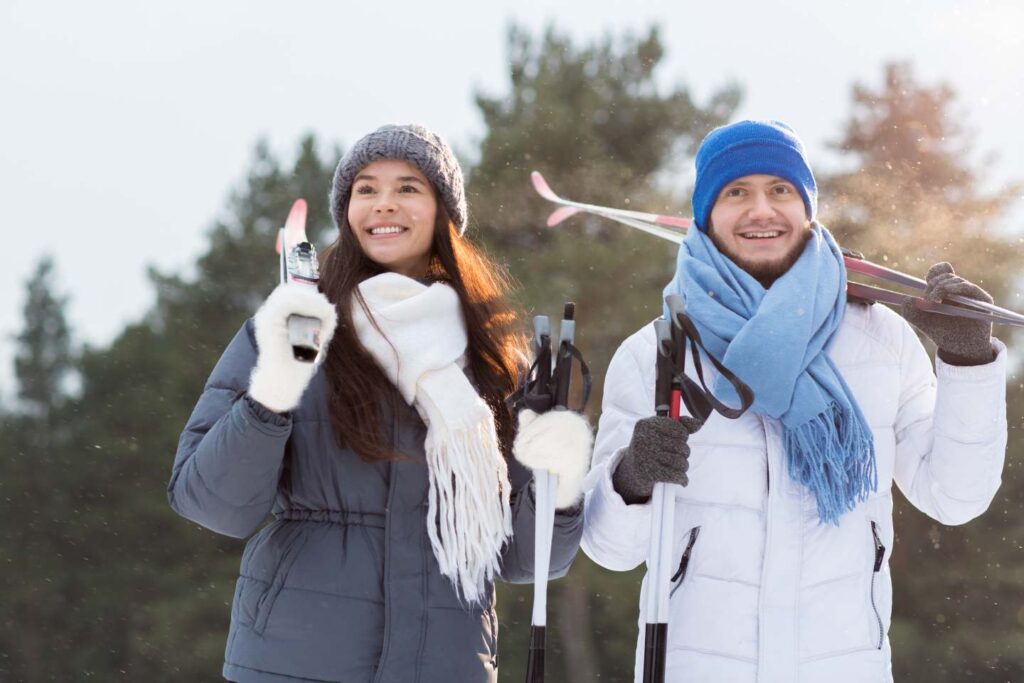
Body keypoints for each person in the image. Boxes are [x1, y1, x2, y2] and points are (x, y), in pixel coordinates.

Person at [582, 120, 1007, 682]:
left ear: (807, 208)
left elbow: (956, 497)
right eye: (737, 192)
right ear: (706, 214)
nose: (762, 210)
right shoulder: (658, 353)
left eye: (780, 190)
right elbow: (610, 550)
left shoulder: (882, 342)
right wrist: (630, 478)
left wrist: (968, 362)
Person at [168, 124, 593, 683]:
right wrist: (272, 392)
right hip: (297, 663)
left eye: (408, 188)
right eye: (365, 190)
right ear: (347, 211)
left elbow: (522, 560)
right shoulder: (293, 328)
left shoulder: (490, 355)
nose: (383, 205)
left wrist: (559, 485)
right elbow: (212, 503)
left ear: (444, 211)